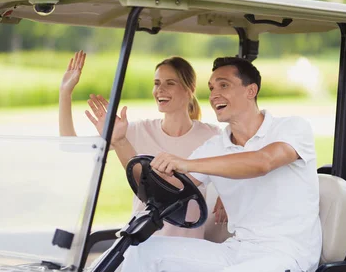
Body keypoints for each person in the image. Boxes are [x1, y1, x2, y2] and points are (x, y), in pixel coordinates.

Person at [110, 57, 322, 272]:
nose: (214, 95)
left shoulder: (292, 128)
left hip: (289, 257)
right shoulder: (215, 146)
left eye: (223, 86)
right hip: (239, 250)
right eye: (211, 88)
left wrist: (186, 163)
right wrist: (120, 142)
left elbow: (263, 162)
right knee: (143, 252)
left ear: (251, 90)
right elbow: (167, 190)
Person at [59, 51, 226, 238]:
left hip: (187, 245)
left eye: (170, 83)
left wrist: (227, 195)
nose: (159, 90)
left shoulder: (212, 135)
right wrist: (65, 93)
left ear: (190, 88)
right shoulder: (135, 130)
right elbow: (71, 147)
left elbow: (238, 166)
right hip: (142, 239)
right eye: (156, 83)